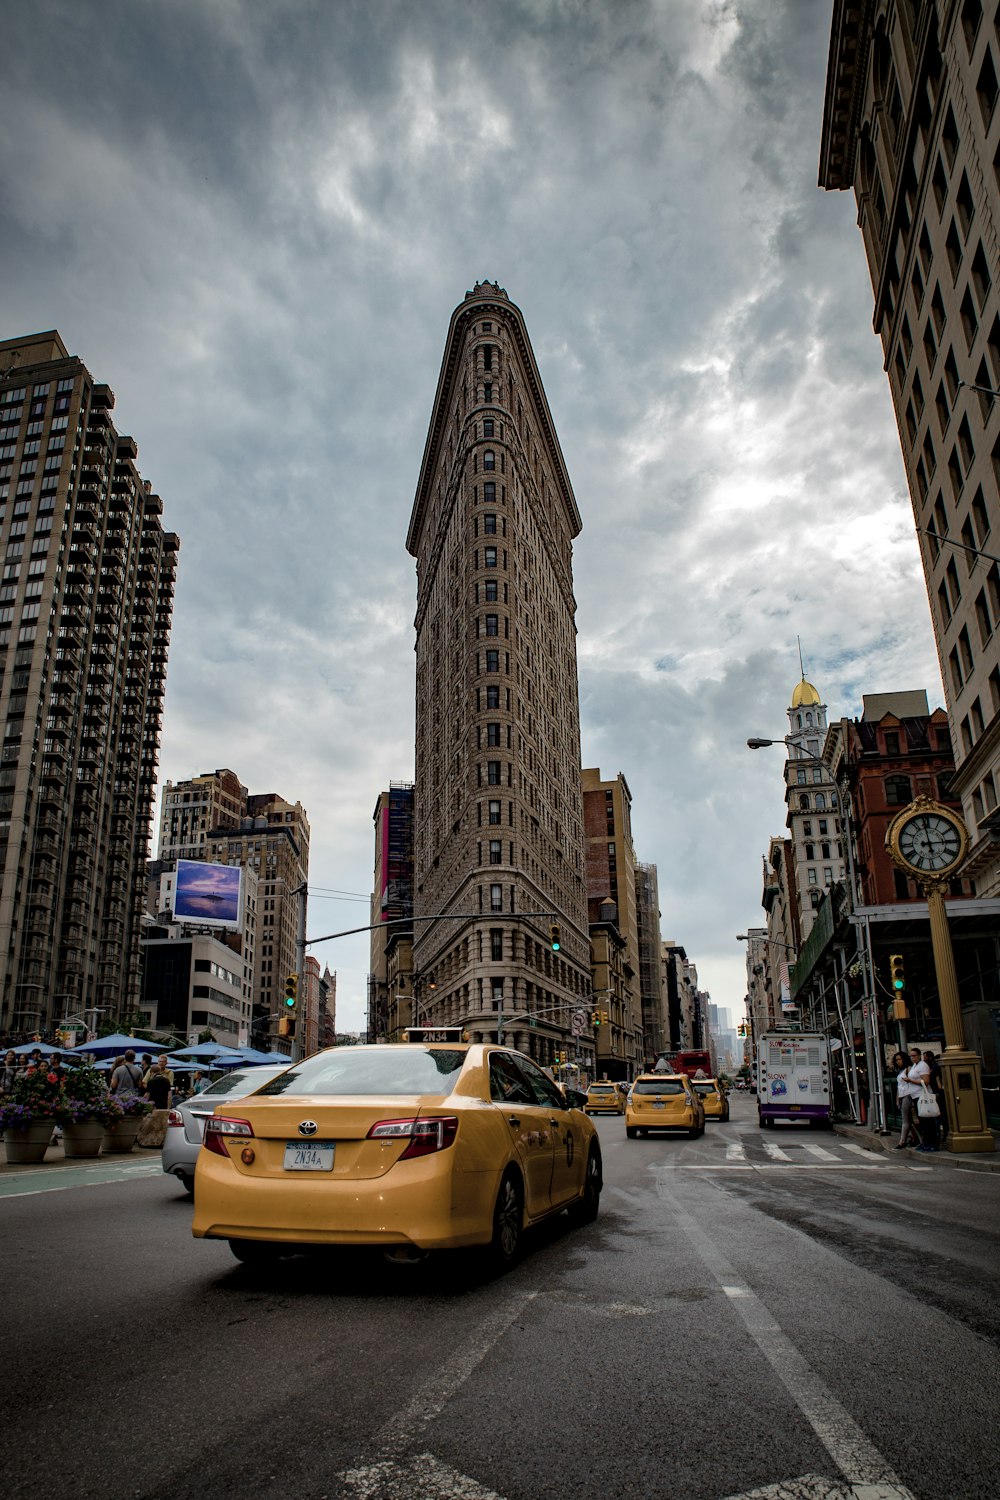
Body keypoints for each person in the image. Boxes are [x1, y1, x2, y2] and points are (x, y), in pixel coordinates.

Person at [893, 1050, 921, 1149]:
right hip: (902, 1096)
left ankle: (902, 1141)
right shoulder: (900, 1071)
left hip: (908, 1096)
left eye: (899, 1059)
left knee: (907, 1119)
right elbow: (899, 1086)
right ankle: (916, 1139)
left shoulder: (909, 1069)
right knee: (910, 1120)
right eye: (896, 1060)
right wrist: (897, 1099)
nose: (898, 1061)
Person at [920, 1050, 945, 1152]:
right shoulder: (930, 1067)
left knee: (935, 1118)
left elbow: (936, 1081)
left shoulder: (934, 1068)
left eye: (925, 1057)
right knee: (934, 1118)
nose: (924, 1059)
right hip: (933, 1093)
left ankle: (936, 1141)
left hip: (934, 1094)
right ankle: (933, 1140)